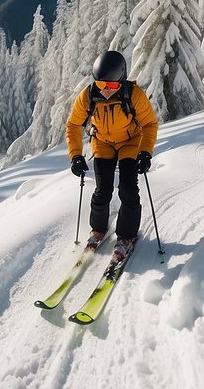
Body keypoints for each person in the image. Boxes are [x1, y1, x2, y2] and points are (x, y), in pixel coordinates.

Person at [66, 50, 158, 257]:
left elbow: (150, 124)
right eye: (101, 85)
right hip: (103, 142)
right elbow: (73, 125)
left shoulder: (133, 94)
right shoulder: (88, 96)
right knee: (103, 190)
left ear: (122, 79)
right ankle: (98, 229)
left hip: (130, 142)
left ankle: (126, 236)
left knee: (127, 189)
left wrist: (145, 152)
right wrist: (76, 155)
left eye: (112, 85)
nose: (106, 90)